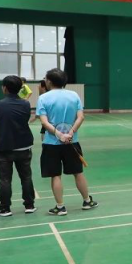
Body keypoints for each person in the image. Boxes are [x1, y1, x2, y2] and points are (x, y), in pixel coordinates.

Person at [37, 68, 97, 216]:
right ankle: (87, 201)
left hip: (51, 144)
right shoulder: (74, 95)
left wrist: (59, 134)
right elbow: (81, 117)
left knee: (55, 175)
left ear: (49, 81)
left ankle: (60, 207)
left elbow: (44, 122)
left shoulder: (43, 98)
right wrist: (70, 133)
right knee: (78, 172)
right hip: (72, 142)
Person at [0, 75, 36, 217]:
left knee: (5, 179)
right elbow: (25, 119)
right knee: (26, 177)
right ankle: (29, 205)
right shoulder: (25, 104)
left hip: (4, 148)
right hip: (23, 147)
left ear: (4, 88)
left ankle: (5, 208)